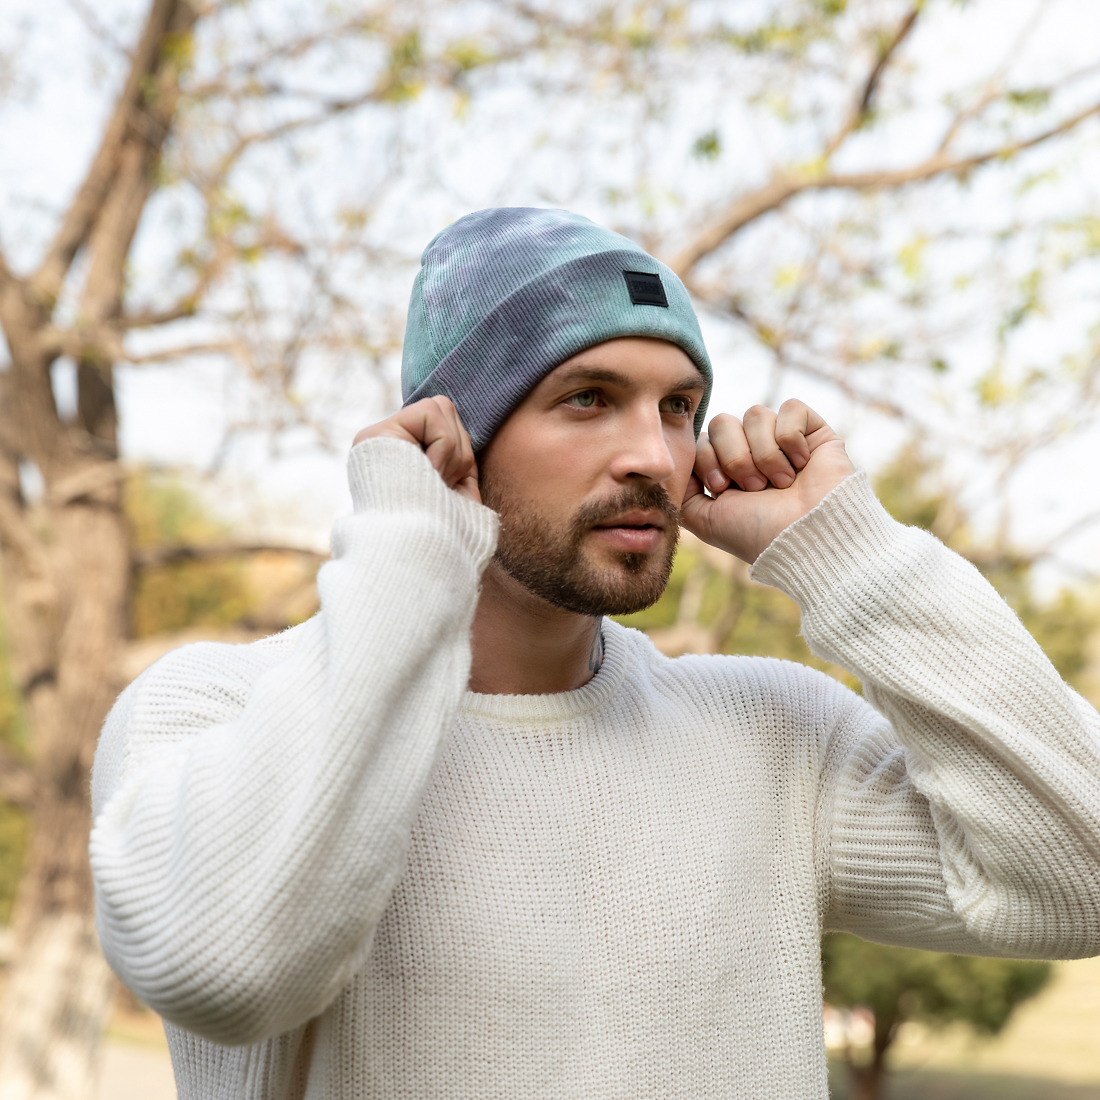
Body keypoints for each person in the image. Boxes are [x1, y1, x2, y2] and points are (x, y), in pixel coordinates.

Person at [90, 208, 1100, 1100]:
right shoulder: (213, 707)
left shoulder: (771, 732)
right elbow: (229, 967)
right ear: (456, 432)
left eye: (676, 406)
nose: (654, 456)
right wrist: (406, 554)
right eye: (587, 397)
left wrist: (851, 552)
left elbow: (1077, 879)